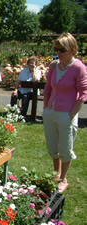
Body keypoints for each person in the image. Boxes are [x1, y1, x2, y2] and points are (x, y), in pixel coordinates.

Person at [42, 33, 87, 193]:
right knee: (53, 146)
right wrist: (46, 108)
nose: (58, 53)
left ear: (72, 50)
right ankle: (56, 174)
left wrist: (71, 115)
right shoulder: (54, 65)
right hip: (51, 112)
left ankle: (63, 179)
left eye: (61, 50)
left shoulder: (78, 67)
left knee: (66, 149)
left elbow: (83, 93)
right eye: (56, 49)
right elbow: (47, 88)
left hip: (66, 115)